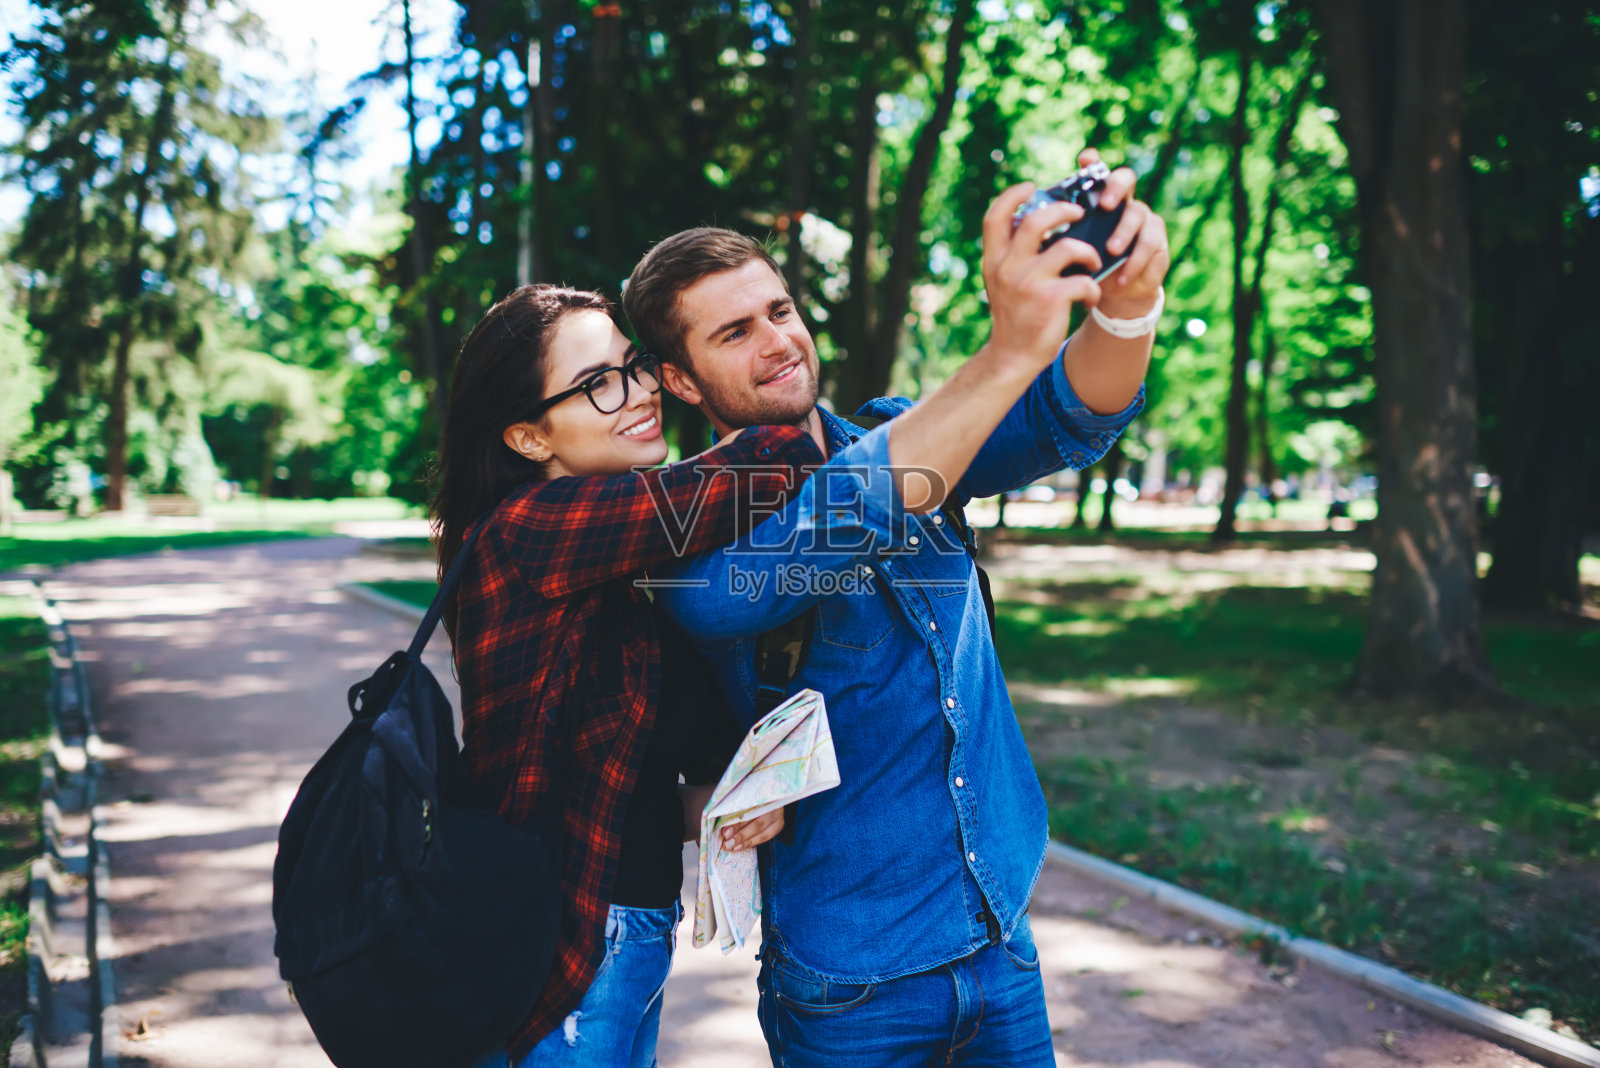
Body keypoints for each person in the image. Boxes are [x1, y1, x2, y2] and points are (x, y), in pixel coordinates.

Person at [627, 151, 1171, 1065]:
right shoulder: (685, 535)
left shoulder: (909, 429)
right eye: (734, 333)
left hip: (1000, 940)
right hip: (850, 987)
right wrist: (1009, 349)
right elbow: (848, 511)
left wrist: (1127, 304)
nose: (777, 341)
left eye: (781, 311)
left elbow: (1069, 414)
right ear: (680, 380)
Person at [430, 283, 819, 1067]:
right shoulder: (529, 531)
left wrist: (732, 799)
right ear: (528, 437)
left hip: (624, 938)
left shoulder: (606, 569)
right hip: (568, 951)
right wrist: (785, 394)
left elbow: (607, 780)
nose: (640, 392)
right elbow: (767, 461)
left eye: (633, 366)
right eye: (598, 383)